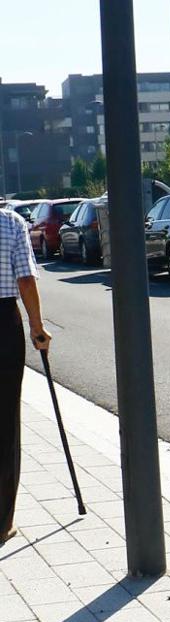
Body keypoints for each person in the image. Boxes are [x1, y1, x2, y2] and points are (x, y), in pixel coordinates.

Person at [1, 202, 51, 544]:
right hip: (3, 322)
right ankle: (1, 522)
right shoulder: (11, 223)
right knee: (5, 421)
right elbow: (25, 279)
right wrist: (37, 326)